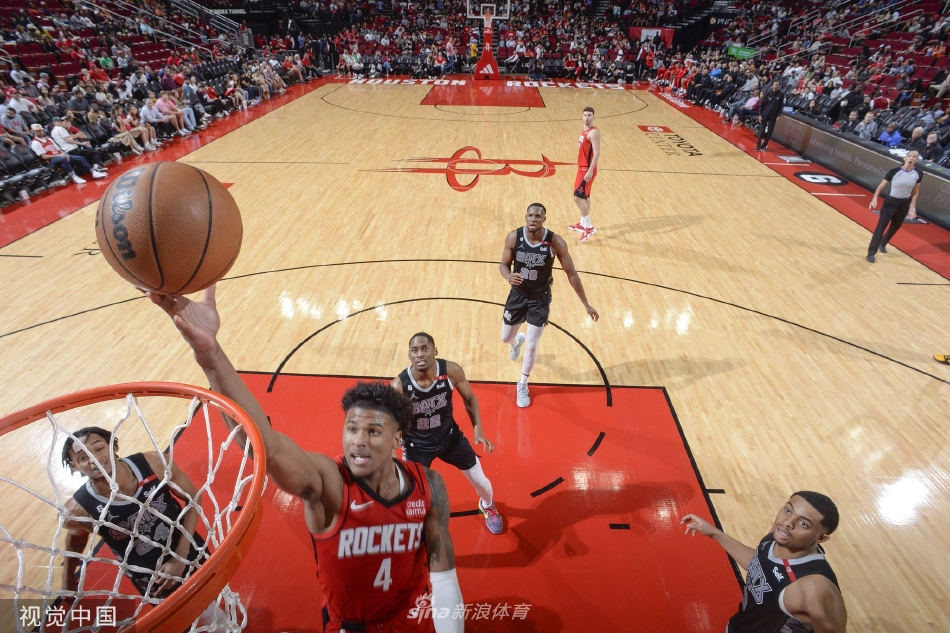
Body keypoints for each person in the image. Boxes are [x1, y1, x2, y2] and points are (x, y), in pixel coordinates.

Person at [145, 286, 464, 631]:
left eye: (373, 431)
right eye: (351, 429)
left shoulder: (428, 485)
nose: (358, 441)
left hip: (413, 620)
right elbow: (265, 446)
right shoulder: (329, 482)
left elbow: (445, 578)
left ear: (397, 439)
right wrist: (210, 354)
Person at [61, 427, 224, 628]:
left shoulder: (154, 463)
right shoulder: (79, 509)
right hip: (149, 573)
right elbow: (75, 542)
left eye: (99, 448)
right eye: (83, 457)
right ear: (75, 466)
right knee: (184, 617)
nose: (94, 458)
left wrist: (179, 557)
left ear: (112, 445)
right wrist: (67, 579)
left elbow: (193, 499)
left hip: (187, 546)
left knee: (212, 595)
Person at [681, 491, 847, 632]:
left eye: (803, 524)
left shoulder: (815, 588)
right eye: (788, 511)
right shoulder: (776, 538)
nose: (787, 523)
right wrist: (714, 533)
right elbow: (758, 565)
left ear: (821, 538)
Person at [391, 333, 503, 535]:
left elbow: (470, 398)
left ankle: (487, 505)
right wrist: (392, 443)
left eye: (424, 348)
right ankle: (415, 528)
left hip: (450, 437)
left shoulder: (451, 371)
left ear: (435, 351)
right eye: (414, 350)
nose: (419, 354)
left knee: (482, 483)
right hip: (416, 446)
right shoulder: (399, 386)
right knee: (411, 495)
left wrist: (477, 428)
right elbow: (390, 420)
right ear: (409, 355)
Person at [500, 203, 599, 407]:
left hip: (540, 298)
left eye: (538, 216)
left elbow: (571, 274)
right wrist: (508, 276)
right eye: (530, 215)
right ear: (526, 217)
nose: (533, 219)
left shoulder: (555, 242)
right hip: (517, 295)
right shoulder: (514, 237)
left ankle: (523, 382)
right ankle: (516, 342)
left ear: (544, 219)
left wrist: (586, 304)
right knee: (505, 338)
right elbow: (503, 265)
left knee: (533, 343)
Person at [866, 150, 923, 263]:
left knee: (896, 225)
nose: (911, 158)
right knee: (881, 226)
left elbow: (915, 191)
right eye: (909, 156)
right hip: (891, 202)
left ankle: (883, 243)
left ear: (917, 159)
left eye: (914, 156)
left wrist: (912, 207)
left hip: (904, 203)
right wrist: (875, 198)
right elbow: (881, 186)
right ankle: (871, 252)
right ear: (905, 158)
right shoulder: (894, 171)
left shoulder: (918, 174)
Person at [567, 107, 601, 242]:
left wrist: (590, 170)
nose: (587, 117)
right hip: (582, 168)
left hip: (586, 169)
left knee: (577, 197)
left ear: (593, 117)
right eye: (585, 115)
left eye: (589, 115)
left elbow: (597, 153)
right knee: (585, 196)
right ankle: (582, 224)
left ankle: (589, 227)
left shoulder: (594, 132)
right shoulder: (584, 131)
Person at [30, 124, 103, 184]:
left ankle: (93, 172)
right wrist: (59, 155)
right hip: (51, 160)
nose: (40, 132)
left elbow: (59, 150)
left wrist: (65, 154)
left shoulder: (49, 139)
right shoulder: (35, 143)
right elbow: (44, 157)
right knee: (62, 159)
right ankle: (74, 176)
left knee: (80, 158)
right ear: (33, 131)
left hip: (60, 156)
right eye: (37, 131)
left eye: (41, 130)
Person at [755, 80, 785, 151]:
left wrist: (779, 115)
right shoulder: (768, 93)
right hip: (765, 114)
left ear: (778, 86)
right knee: (762, 130)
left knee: (770, 131)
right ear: (772, 85)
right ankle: (758, 145)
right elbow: (762, 105)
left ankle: (764, 145)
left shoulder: (781, 94)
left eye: (777, 85)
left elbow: (781, 106)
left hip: (773, 116)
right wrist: (760, 115)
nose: (775, 86)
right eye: (774, 85)